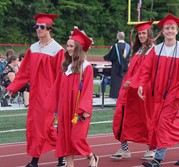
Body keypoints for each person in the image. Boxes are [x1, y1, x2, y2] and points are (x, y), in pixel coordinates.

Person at [6, 13, 65, 167]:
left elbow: (61, 75)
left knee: (41, 126)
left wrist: (58, 97)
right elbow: (24, 72)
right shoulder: (33, 48)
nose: (38, 30)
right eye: (37, 27)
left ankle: (34, 162)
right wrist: (13, 88)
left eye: (42, 27)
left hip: (49, 95)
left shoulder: (57, 50)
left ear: (49, 29)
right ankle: (61, 158)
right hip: (35, 94)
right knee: (45, 127)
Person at [138, 14, 179, 167]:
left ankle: (157, 160)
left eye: (172, 28)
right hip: (158, 94)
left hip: (175, 94)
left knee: (163, 123)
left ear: (177, 31)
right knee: (169, 124)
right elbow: (146, 70)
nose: (170, 31)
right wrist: (141, 84)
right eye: (167, 28)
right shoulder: (156, 50)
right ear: (162, 31)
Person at [53, 28, 99, 167]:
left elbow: (88, 90)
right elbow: (59, 89)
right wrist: (56, 108)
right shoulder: (66, 66)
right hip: (65, 108)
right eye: (67, 46)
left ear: (78, 48)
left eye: (71, 46)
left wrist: (84, 109)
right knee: (65, 137)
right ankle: (70, 164)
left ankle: (92, 156)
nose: (68, 49)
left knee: (76, 138)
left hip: (78, 109)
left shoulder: (86, 67)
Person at [111, 21, 155, 160]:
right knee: (121, 116)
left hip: (143, 90)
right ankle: (124, 149)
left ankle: (152, 148)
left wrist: (133, 82)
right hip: (128, 90)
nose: (141, 36)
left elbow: (147, 72)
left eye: (144, 33)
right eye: (140, 33)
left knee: (145, 119)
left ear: (149, 34)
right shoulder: (139, 50)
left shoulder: (153, 50)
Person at [104, 32, 131, 99]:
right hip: (125, 67)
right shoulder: (128, 46)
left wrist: (105, 57)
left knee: (116, 83)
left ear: (117, 37)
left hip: (116, 67)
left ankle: (115, 96)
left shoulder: (115, 46)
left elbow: (111, 57)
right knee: (123, 81)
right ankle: (124, 96)